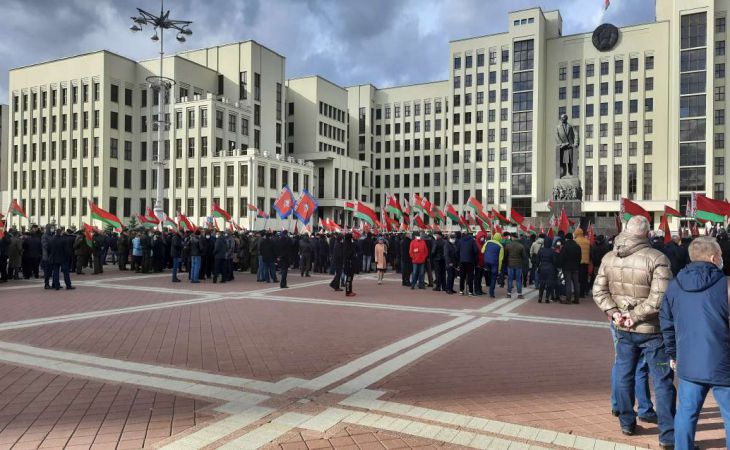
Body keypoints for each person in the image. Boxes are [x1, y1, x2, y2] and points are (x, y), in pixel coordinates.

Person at [593, 215, 675, 448]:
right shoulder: (657, 257)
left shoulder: (610, 257)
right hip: (651, 330)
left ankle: (627, 422)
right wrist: (632, 315)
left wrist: (615, 312)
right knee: (661, 380)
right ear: (647, 234)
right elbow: (661, 298)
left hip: (623, 326)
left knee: (623, 373)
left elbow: (599, 291)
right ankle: (667, 435)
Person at [661, 237, 730, 450]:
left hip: (689, 360)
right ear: (713, 257)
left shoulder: (674, 286)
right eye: (720, 255)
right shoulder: (725, 285)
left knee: (686, 414)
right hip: (724, 362)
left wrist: (673, 354)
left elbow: (666, 323)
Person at [559, 232, 582, 304]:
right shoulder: (578, 246)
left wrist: (561, 265)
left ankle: (568, 299)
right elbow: (580, 257)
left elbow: (562, 257)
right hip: (576, 267)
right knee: (576, 283)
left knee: (568, 283)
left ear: (566, 238)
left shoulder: (565, 246)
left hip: (567, 267)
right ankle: (577, 299)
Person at [504, 232, 527, 299]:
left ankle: (509, 293)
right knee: (518, 280)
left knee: (510, 279)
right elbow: (524, 256)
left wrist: (505, 262)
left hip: (510, 264)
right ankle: (519, 294)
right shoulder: (521, 246)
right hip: (519, 265)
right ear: (517, 237)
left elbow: (506, 256)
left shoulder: (508, 245)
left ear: (512, 237)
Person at [483, 233, 504, 298]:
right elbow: (500, 259)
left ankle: (488, 286)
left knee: (488, 275)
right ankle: (491, 293)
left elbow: (482, 251)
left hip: (486, 262)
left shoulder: (488, 242)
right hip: (494, 263)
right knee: (494, 277)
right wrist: (499, 269)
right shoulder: (501, 246)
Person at [536, 236, 557, 303]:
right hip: (550, 268)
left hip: (542, 268)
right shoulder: (552, 251)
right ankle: (547, 298)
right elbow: (554, 261)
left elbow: (537, 260)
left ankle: (540, 297)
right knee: (549, 284)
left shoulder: (541, 250)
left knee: (542, 283)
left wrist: (538, 267)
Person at [457, 232, 478, 296]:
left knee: (462, 276)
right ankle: (470, 292)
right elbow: (475, 251)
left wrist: (459, 258)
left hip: (462, 261)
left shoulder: (460, 241)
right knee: (470, 276)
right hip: (470, 261)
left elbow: (457, 251)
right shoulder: (472, 241)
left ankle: (461, 291)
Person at [574, 228, 591, 297]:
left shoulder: (575, 241)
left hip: (578, 262)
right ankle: (582, 293)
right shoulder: (587, 241)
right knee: (584, 278)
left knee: (577, 278)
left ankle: (577, 293)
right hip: (586, 262)